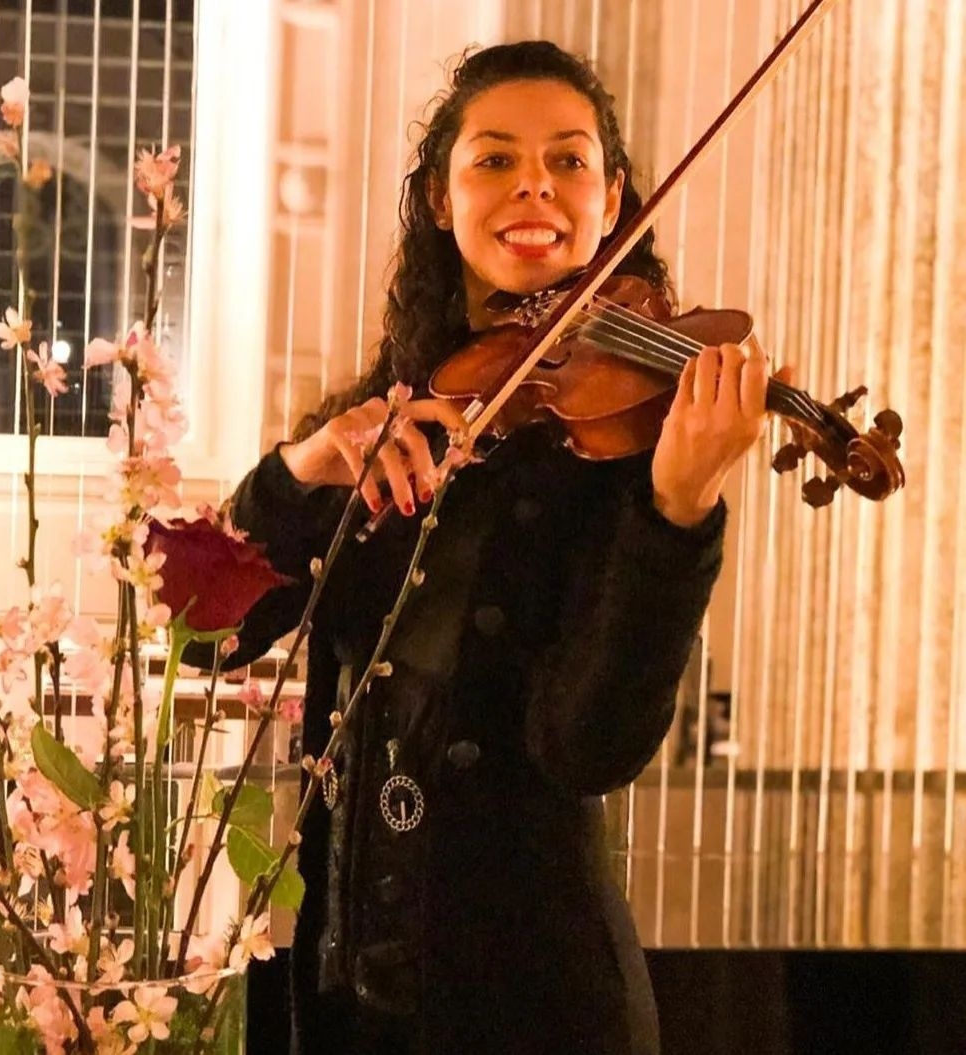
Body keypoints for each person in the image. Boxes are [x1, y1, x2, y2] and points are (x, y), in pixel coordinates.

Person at [216, 40, 781, 1055]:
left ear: (613, 201)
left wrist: (677, 508)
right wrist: (301, 469)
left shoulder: (628, 453)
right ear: (439, 196)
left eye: (568, 161)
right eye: (494, 158)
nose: (534, 184)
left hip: (540, 1007)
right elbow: (202, 627)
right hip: (345, 1007)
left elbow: (588, 746)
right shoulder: (382, 418)